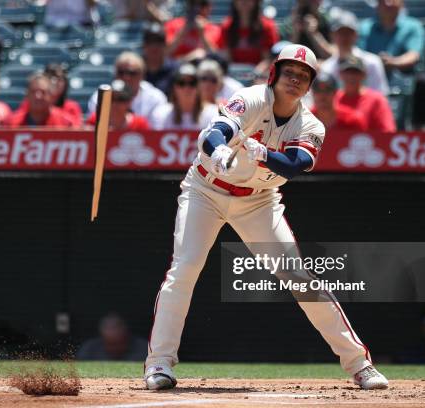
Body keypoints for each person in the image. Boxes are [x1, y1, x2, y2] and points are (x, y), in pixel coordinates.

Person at [143, 44, 389, 391]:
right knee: (184, 269)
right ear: (275, 73)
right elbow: (213, 135)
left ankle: (360, 365)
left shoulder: (312, 124)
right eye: (289, 72)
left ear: (310, 86)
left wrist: (262, 154)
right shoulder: (252, 97)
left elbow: (296, 164)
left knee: (300, 279)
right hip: (206, 189)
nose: (295, 79)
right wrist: (222, 149)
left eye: (303, 76)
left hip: (259, 201)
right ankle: (159, 365)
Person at [320, 10, 389, 95]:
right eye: (340, 32)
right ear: (332, 35)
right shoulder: (326, 68)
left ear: (356, 35)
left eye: (349, 32)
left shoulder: (373, 62)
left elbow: (380, 96)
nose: (344, 37)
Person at [88, 51, 166, 119]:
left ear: (142, 75)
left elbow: (157, 129)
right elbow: (93, 125)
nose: (126, 77)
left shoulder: (156, 98)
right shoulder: (101, 97)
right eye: (121, 72)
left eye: (132, 73)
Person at [357, 0, 425, 76]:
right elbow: (358, 55)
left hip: (402, 81)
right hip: (368, 78)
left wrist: (392, 62)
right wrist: (376, 62)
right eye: (383, 1)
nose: (388, 3)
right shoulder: (364, 27)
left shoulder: (413, 26)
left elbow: (413, 55)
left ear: (401, 3)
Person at [334, 55, 396, 132]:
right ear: (340, 74)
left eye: (356, 72)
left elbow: (388, 132)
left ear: (364, 75)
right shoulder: (332, 99)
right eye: (347, 72)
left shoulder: (377, 100)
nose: (351, 76)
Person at [150, 63, 218, 130]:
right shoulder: (161, 114)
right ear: (174, 88)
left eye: (192, 83)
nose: (187, 88)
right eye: (181, 83)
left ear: (198, 87)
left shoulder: (213, 114)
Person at [218, 0, 279, 66]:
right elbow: (227, 57)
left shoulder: (267, 27)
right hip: (234, 71)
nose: (244, 2)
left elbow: (268, 59)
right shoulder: (227, 26)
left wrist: (257, 72)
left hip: (260, 73)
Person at [3, 73, 76, 127]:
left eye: (43, 92)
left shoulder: (66, 124)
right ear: (27, 96)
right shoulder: (11, 124)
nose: (38, 96)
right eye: (33, 91)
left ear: (51, 95)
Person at [77, 313, 147, 361]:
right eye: (107, 327)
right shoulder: (90, 348)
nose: (111, 331)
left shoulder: (143, 347)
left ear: (125, 329)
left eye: (115, 327)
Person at [86, 79, 150, 130]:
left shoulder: (140, 124)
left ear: (130, 102)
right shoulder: (96, 120)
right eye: (111, 98)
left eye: (121, 99)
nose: (115, 104)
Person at [143, 22, 178, 95]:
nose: (154, 46)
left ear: (165, 44)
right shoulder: (134, 71)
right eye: (150, 41)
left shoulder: (174, 69)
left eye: (159, 41)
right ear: (144, 45)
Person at [109, 0, 174, 23]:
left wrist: (148, 4)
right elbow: (122, 21)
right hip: (130, 36)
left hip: (153, 39)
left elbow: (165, 20)